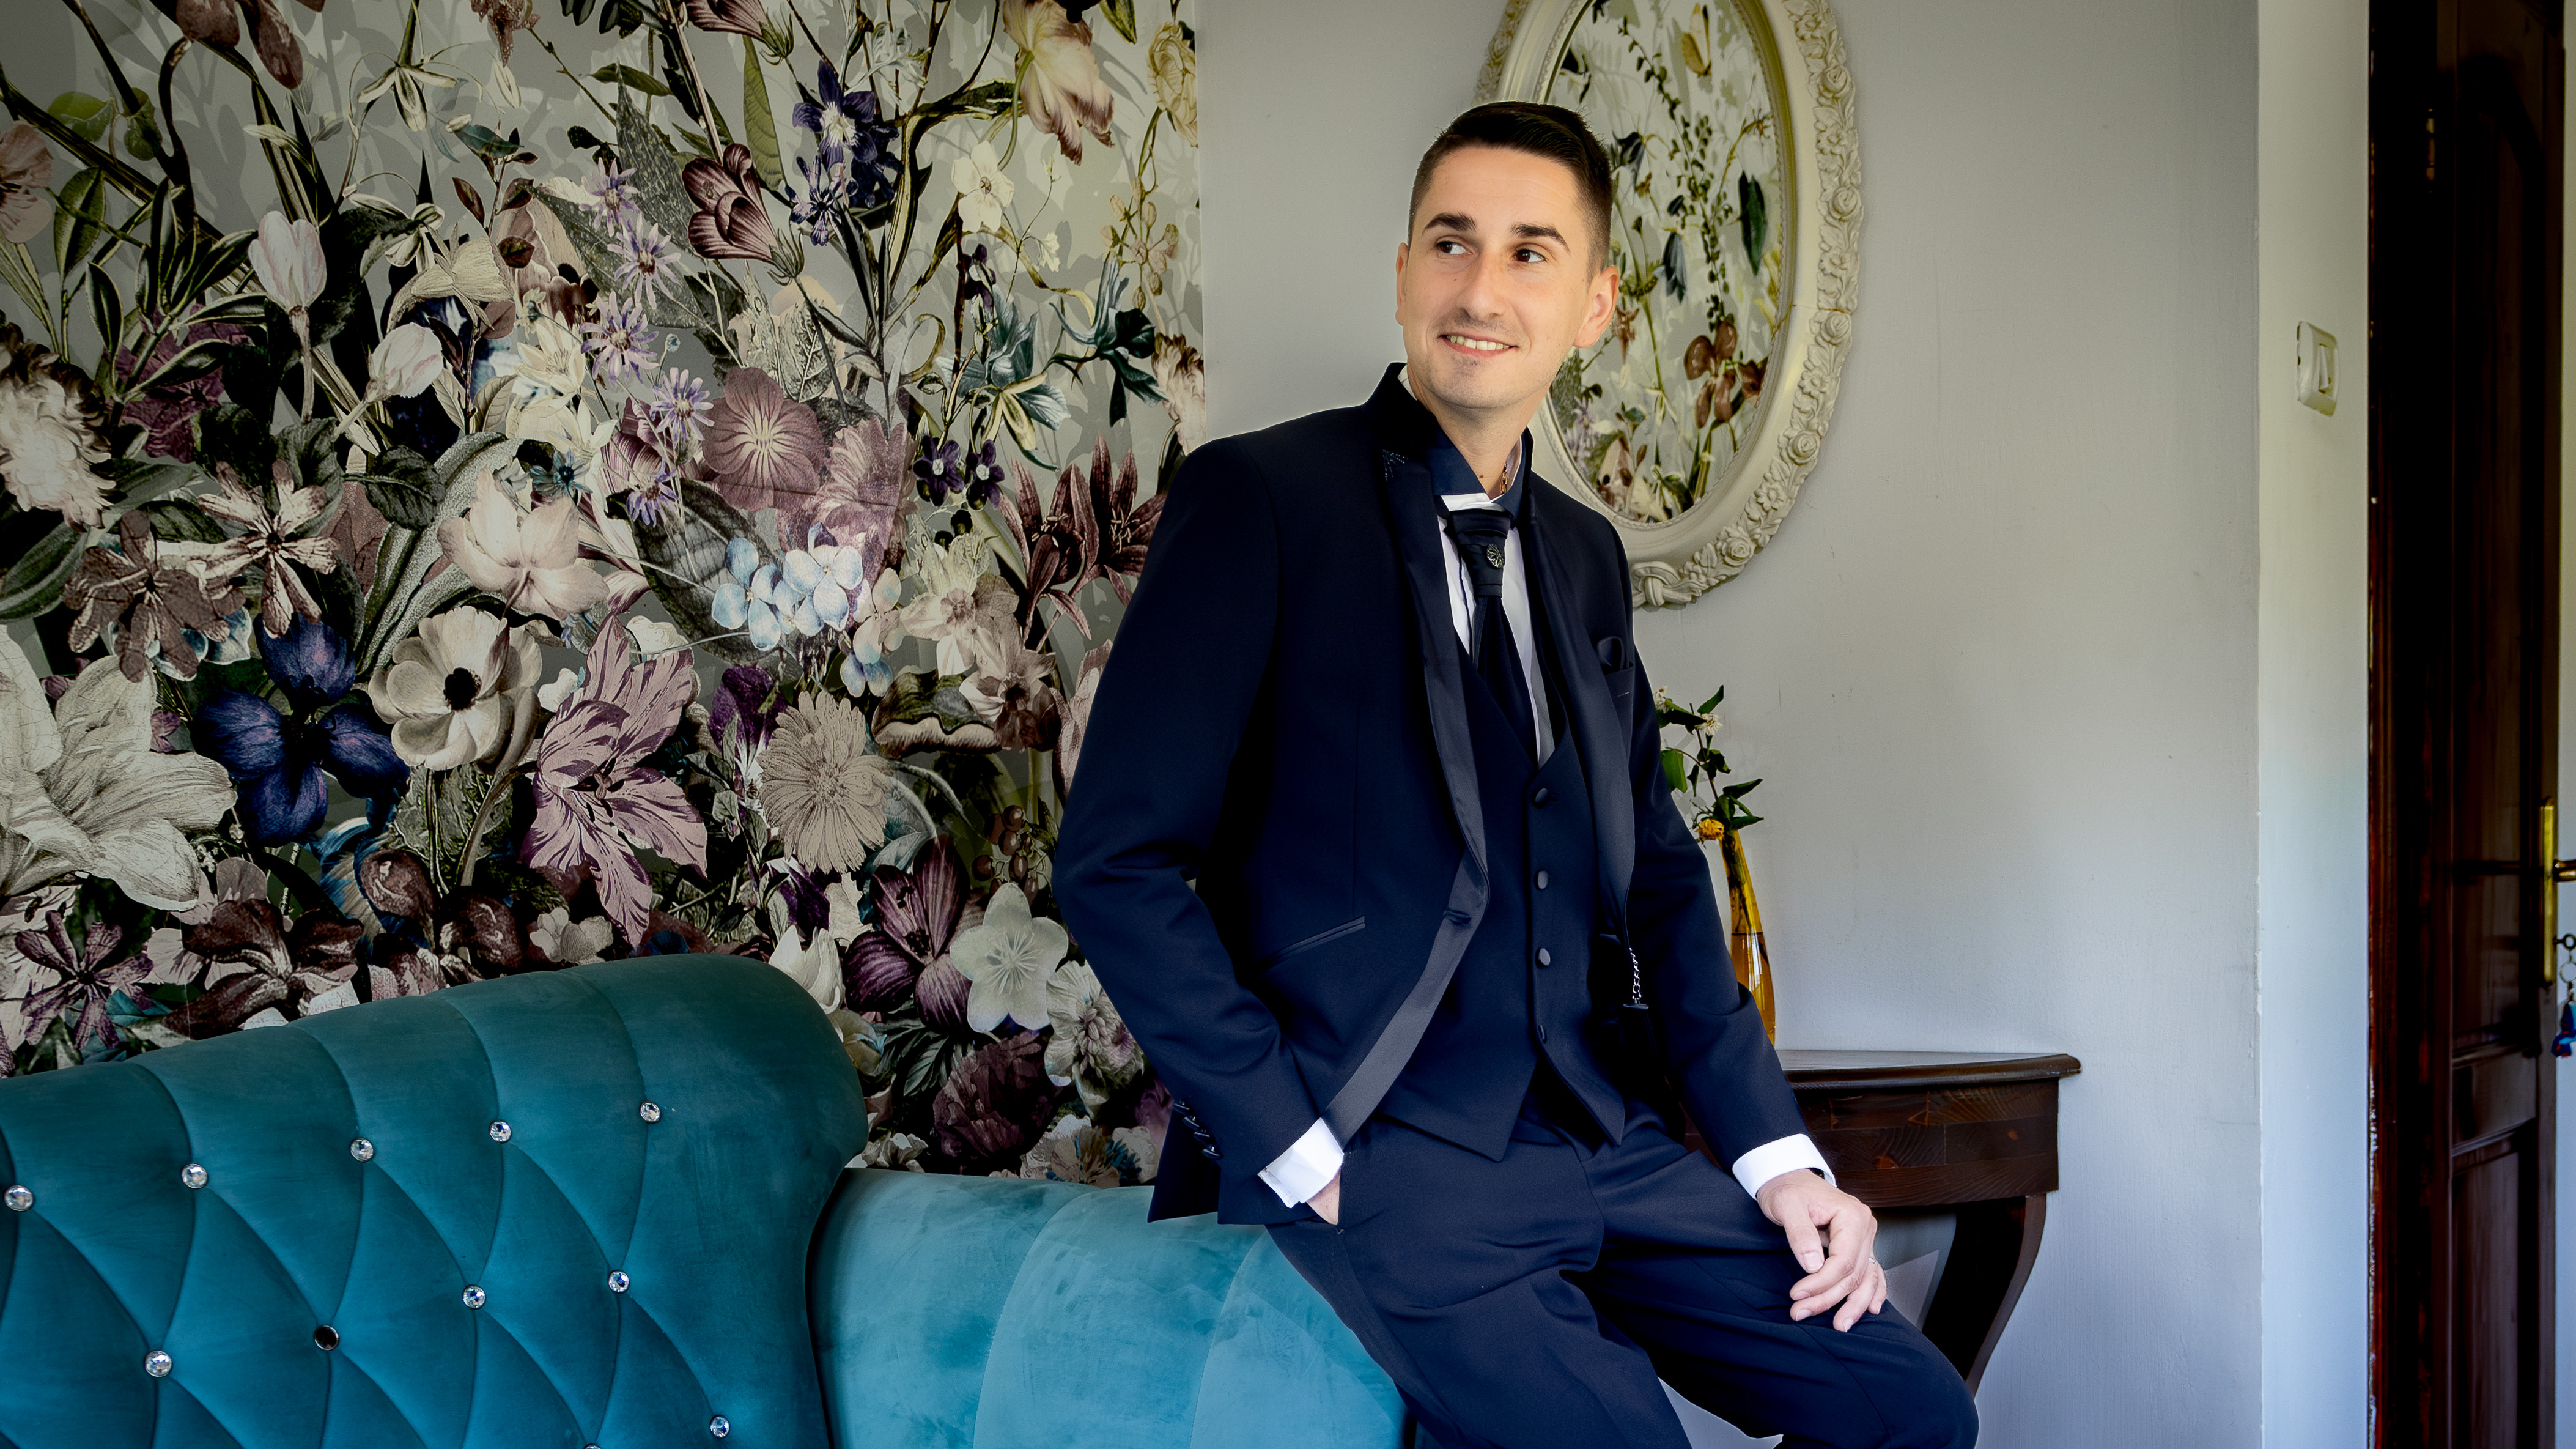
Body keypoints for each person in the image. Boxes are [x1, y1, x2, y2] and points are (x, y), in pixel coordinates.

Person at [1055, 102, 1977, 1449]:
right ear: (1401, 273)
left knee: (1912, 1410)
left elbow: (1659, 881)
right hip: (1390, 1158)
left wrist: (1781, 1161)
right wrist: (1300, 1152)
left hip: (1604, 1146)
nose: (1479, 289)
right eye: (1450, 243)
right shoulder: (1259, 498)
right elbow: (1116, 863)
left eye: (1529, 252)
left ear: (1594, 305)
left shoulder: (1585, 556)